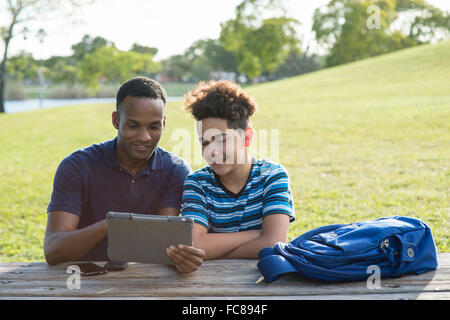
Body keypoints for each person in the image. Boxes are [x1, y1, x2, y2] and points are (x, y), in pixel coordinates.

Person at [44, 77, 205, 273]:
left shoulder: (175, 170)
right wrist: (112, 225)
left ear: (163, 124)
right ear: (116, 120)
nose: (144, 137)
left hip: (145, 279)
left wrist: (181, 257)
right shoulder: (77, 166)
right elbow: (53, 249)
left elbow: (165, 241)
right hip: (83, 280)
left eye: (154, 127)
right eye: (133, 125)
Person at [179, 80, 295, 260]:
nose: (212, 151)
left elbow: (273, 244)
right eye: (205, 142)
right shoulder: (198, 183)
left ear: (246, 138)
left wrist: (216, 251)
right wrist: (257, 235)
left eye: (222, 140)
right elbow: (195, 245)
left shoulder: (272, 176)